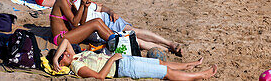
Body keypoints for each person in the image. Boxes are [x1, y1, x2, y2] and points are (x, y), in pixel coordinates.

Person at [50, 39, 216, 80]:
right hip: (122, 68)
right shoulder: (77, 66)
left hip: (123, 60)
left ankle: (189, 65)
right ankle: (200, 76)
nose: (66, 53)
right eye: (64, 56)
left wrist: (57, 57)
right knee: (164, 72)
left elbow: (64, 41)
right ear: (61, 65)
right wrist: (112, 58)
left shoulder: (76, 56)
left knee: (160, 63)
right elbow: (99, 76)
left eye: (63, 53)